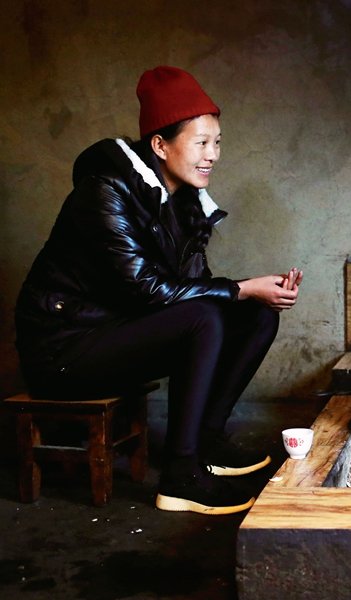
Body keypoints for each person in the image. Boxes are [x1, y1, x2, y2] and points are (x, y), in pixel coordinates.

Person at [14, 66, 304, 515]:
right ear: (160, 145)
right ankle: (181, 477)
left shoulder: (185, 203)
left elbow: (194, 287)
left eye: (218, 142)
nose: (213, 155)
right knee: (208, 313)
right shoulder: (104, 192)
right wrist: (241, 288)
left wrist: (256, 293)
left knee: (258, 315)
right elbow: (148, 289)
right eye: (201, 143)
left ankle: (204, 444)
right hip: (64, 350)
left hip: (116, 333)